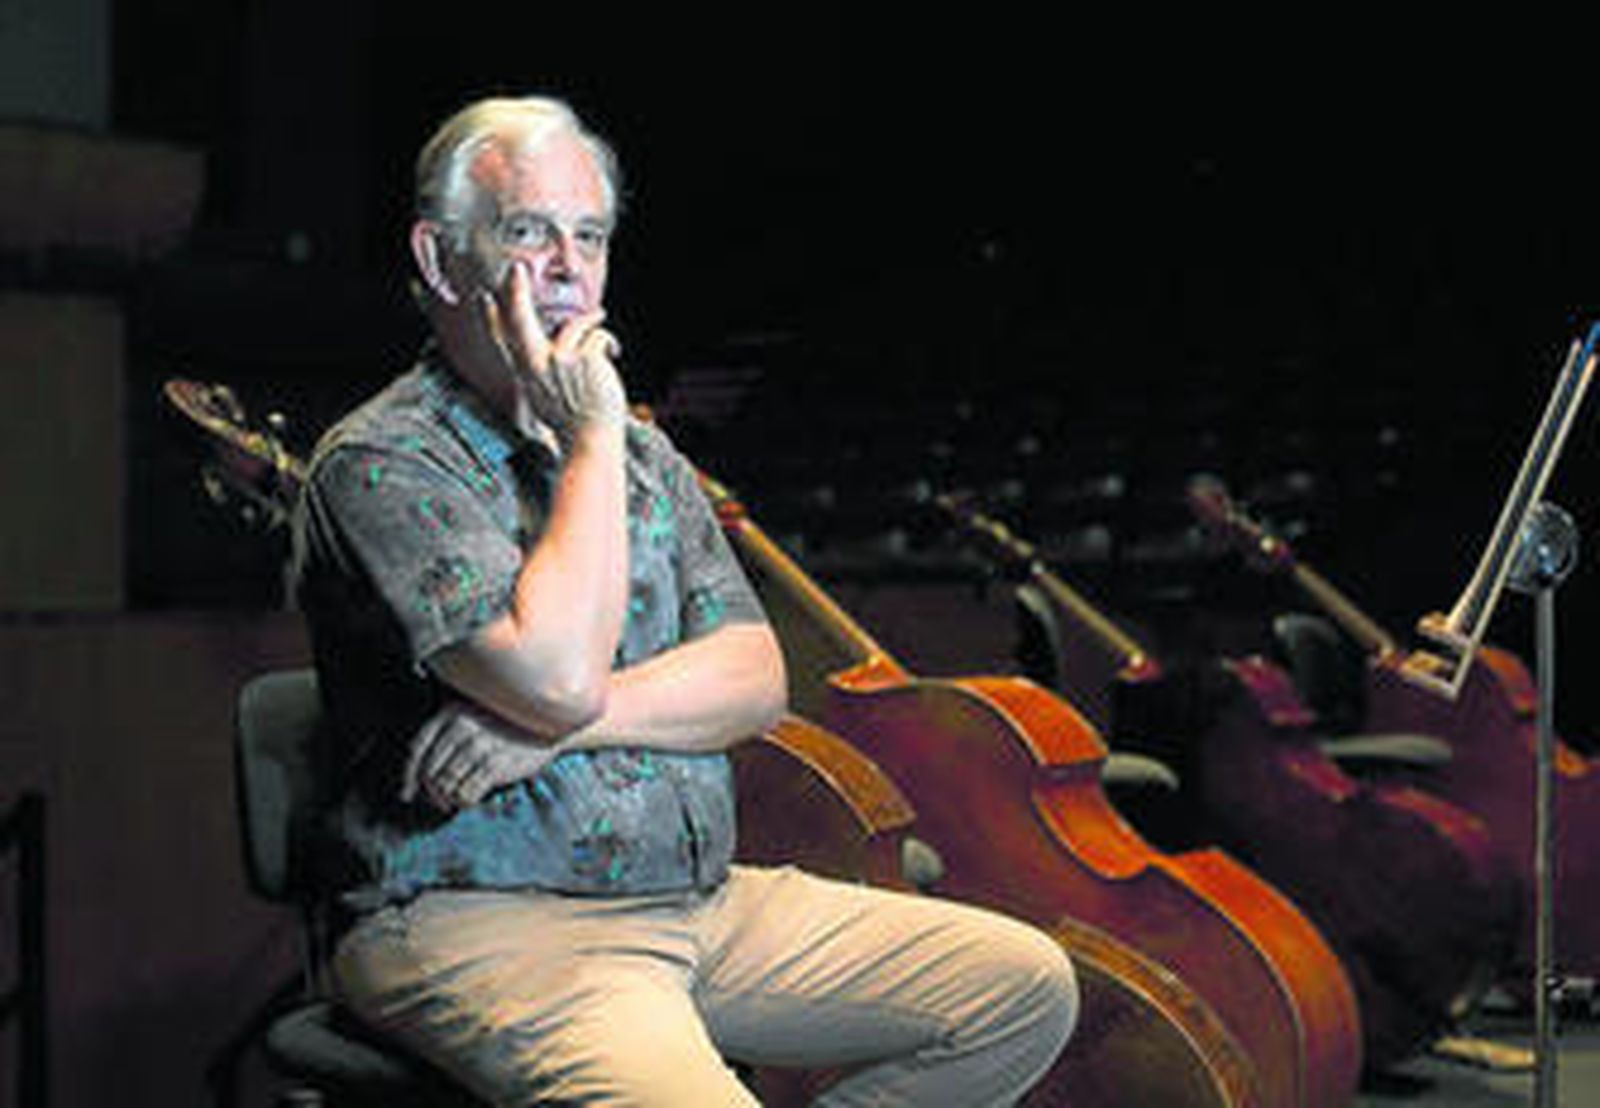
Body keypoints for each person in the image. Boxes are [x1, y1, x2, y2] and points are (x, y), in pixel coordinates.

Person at [290, 93, 1077, 1105]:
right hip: (481, 919)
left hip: (692, 906)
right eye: (528, 232)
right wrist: (590, 443)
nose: (570, 269)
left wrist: (559, 733)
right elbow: (554, 675)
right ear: (442, 262)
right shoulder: (382, 461)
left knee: (1018, 992)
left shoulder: (644, 455)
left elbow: (754, 678)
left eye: (591, 236)